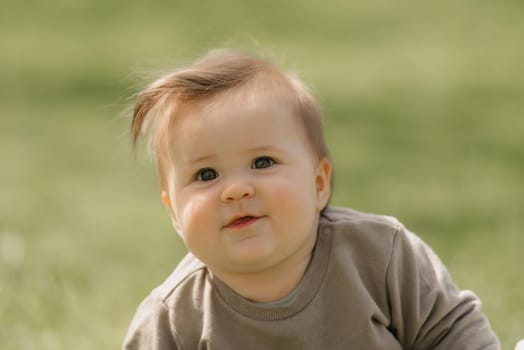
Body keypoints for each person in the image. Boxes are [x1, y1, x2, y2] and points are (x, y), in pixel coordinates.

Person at [122, 49, 500, 349]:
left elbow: (452, 331)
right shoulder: (173, 318)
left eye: (262, 162)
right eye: (206, 175)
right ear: (173, 211)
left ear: (319, 184)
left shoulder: (380, 255)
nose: (236, 189)